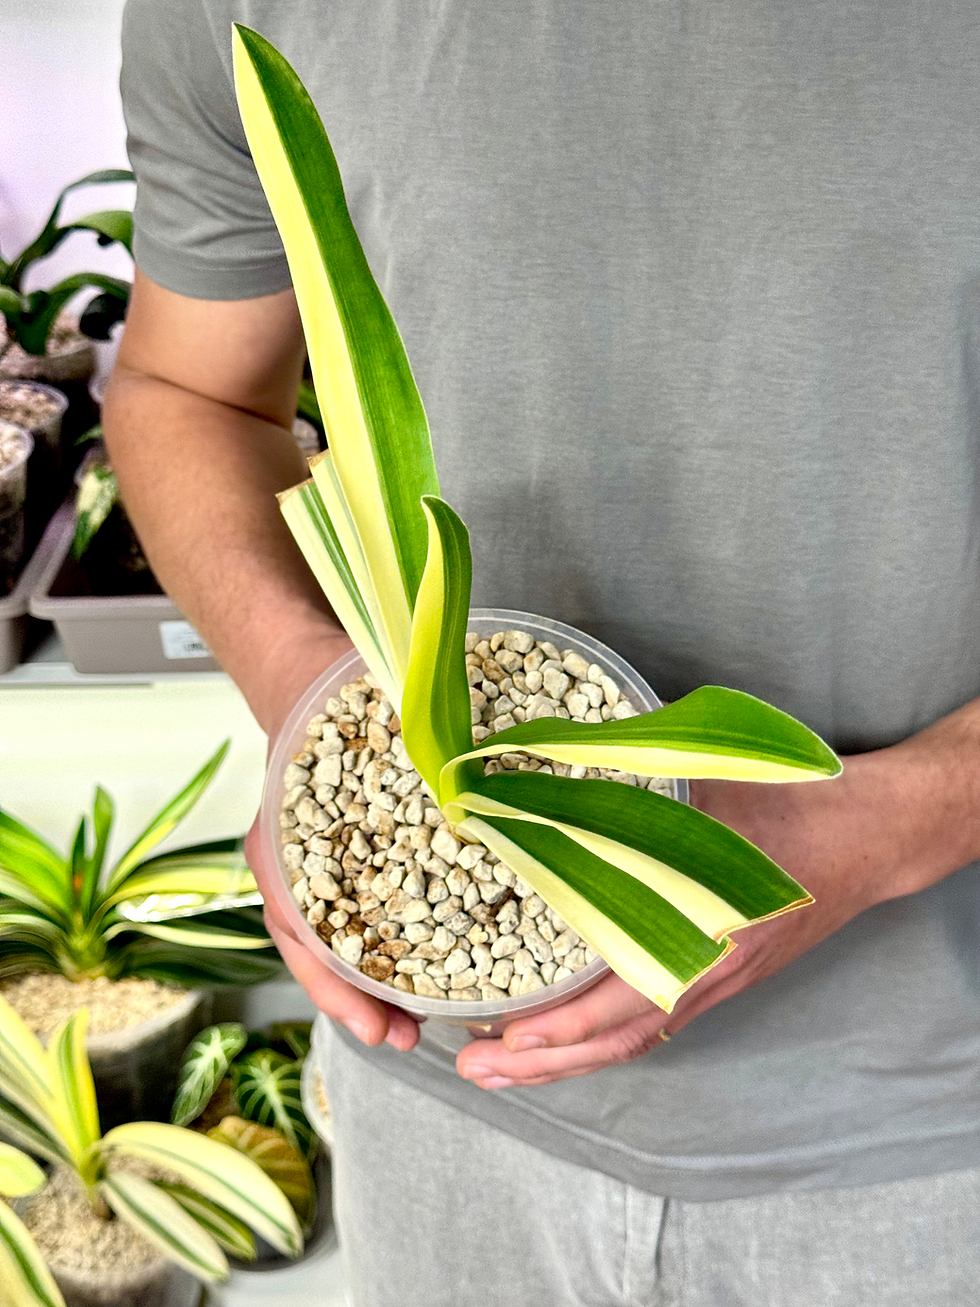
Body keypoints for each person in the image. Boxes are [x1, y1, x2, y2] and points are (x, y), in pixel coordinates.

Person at [107, 2, 980, 1302]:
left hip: (924, 1147)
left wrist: (894, 817)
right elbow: (189, 390)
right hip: (441, 1111)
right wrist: (320, 723)